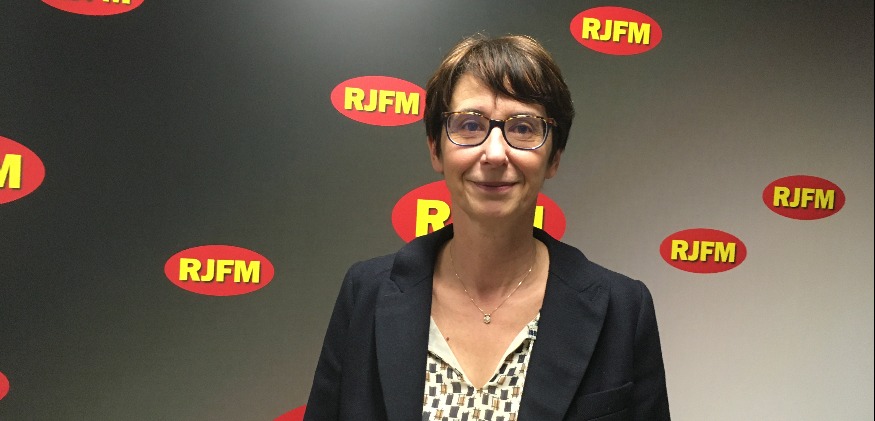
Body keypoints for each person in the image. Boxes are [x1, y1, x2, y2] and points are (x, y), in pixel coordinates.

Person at [304, 33, 670, 420]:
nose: (494, 154)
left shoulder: (622, 310)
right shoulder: (365, 294)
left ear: (554, 157)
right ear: (435, 149)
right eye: (469, 125)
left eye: (524, 128)